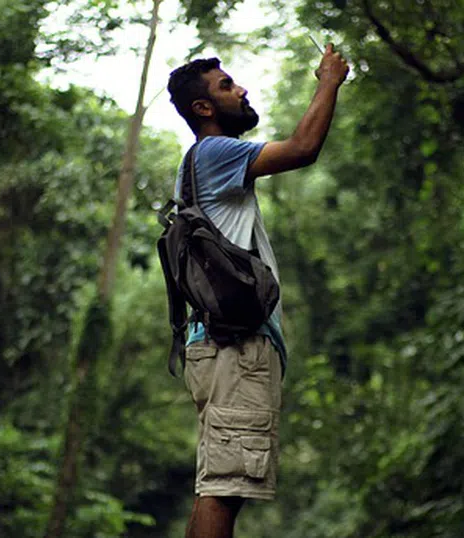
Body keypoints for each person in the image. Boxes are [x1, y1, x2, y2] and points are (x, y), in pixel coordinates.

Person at [166, 44, 349, 538]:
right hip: (236, 346)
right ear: (203, 109)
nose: (241, 89)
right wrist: (328, 80)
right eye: (227, 86)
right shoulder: (215, 152)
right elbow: (303, 148)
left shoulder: (199, 166)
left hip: (219, 346)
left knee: (220, 484)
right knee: (224, 489)